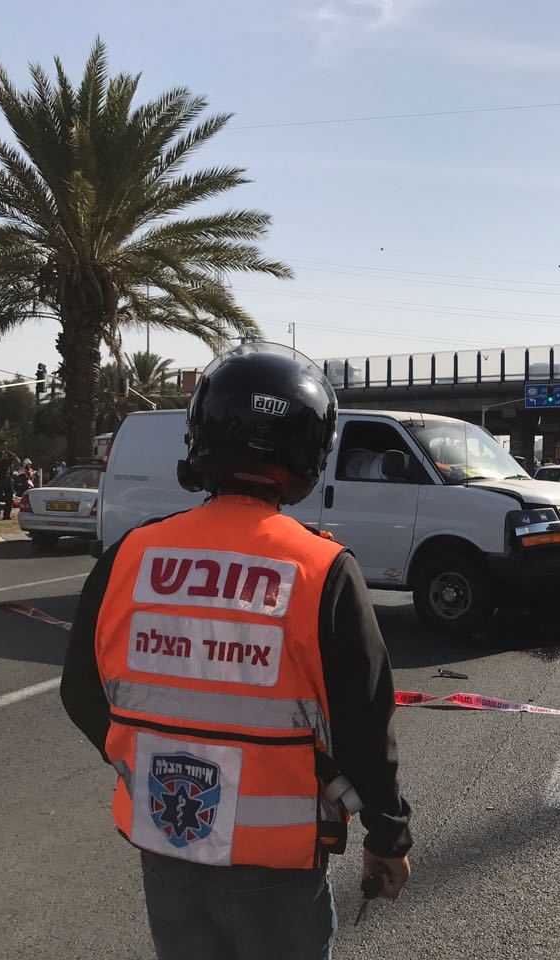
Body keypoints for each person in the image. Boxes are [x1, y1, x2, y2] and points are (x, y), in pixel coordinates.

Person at [60, 342, 411, 960]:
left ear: (201, 433)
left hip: (167, 843)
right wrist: (387, 835)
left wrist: (143, 765)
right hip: (277, 862)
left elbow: (82, 692)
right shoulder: (322, 569)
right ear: (312, 451)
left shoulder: (130, 555)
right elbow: (363, 721)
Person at [0, 446, 17, 520]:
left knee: (9, 497)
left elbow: (18, 461)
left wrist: (10, 453)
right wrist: (1, 458)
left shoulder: (9, 454)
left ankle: (7, 515)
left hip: (8, 478)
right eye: (2, 445)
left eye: (5, 445)